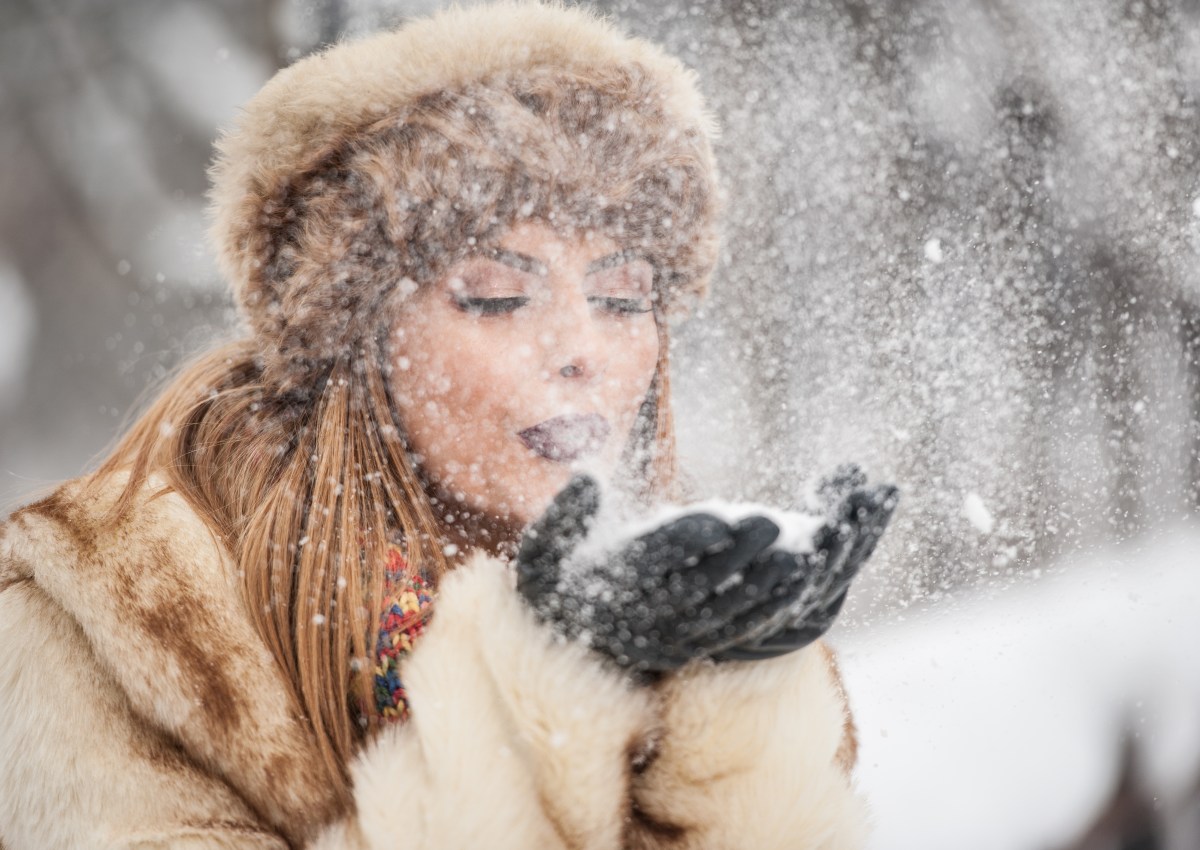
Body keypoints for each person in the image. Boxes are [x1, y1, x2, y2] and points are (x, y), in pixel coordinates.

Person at [0, 2, 896, 848]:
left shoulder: (658, 589)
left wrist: (725, 689)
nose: (582, 348)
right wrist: (545, 688)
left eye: (624, 296)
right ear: (356, 337)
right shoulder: (103, 631)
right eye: (498, 295)